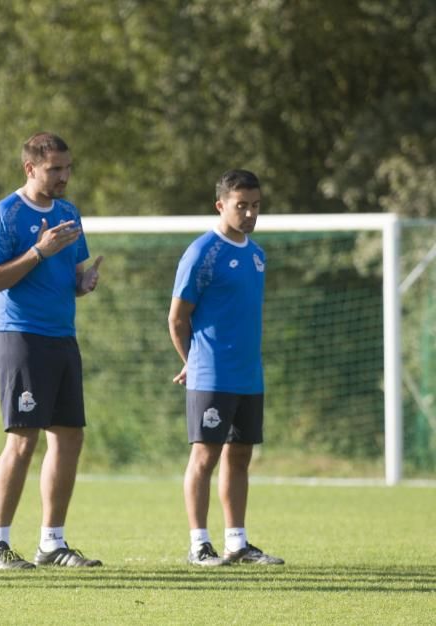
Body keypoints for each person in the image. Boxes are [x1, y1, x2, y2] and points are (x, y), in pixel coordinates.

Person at [0, 133, 104, 569]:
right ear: (30, 168)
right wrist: (37, 251)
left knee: (69, 437)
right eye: (55, 169)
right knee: (22, 440)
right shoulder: (5, 215)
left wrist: (82, 283)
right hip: (20, 336)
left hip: (62, 336)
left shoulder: (69, 213)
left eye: (68, 168)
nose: (64, 176)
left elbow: (70, 273)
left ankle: (52, 542)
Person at [168, 169, 284, 567]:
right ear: (221, 205)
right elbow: (177, 319)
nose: (249, 214)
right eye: (241, 206)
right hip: (212, 374)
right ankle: (199, 544)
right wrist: (193, 363)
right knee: (205, 457)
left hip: (249, 375)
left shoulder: (257, 254)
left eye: (255, 206)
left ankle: (237, 542)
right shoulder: (203, 253)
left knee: (240, 457)